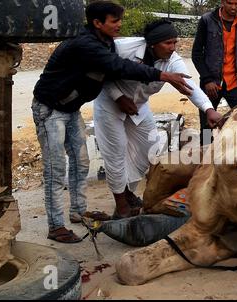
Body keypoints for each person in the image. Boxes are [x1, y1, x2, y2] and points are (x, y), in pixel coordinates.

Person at [32, 1, 193, 243]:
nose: (120, 25)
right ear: (97, 23)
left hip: (70, 108)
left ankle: (77, 211)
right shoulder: (86, 45)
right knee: (56, 170)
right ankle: (55, 226)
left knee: (81, 163)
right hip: (50, 110)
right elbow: (118, 66)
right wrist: (162, 75)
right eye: (114, 21)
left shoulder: (105, 42)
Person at [93, 19, 223, 219]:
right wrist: (117, 97)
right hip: (110, 104)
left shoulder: (173, 60)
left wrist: (208, 110)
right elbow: (102, 71)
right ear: (153, 43)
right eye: (168, 43)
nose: (173, 48)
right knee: (116, 153)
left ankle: (126, 191)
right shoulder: (122, 47)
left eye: (175, 43)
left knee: (149, 149)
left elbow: (189, 86)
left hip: (139, 106)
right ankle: (121, 205)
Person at [192, 0, 237, 145]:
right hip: (211, 84)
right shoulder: (207, 20)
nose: (234, 7)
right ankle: (204, 161)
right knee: (206, 127)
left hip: (233, 83)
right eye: (230, 3)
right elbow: (196, 54)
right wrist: (207, 80)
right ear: (223, 2)